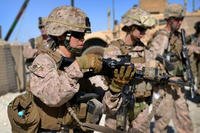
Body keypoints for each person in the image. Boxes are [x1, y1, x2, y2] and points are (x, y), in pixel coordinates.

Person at [8, 5, 103, 133]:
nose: (83, 39)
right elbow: (52, 97)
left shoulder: (79, 61)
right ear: (61, 36)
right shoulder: (44, 61)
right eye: (78, 34)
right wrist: (78, 66)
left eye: (83, 34)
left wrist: (115, 85)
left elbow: (100, 98)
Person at [102, 7, 157, 132]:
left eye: (146, 29)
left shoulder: (144, 50)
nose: (144, 33)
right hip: (119, 105)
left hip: (140, 105)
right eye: (141, 29)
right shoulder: (113, 49)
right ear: (131, 27)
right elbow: (105, 78)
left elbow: (152, 70)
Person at [147, 4, 193, 133]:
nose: (180, 22)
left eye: (181, 19)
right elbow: (152, 60)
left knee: (184, 118)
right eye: (177, 19)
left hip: (178, 84)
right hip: (164, 87)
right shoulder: (162, 36)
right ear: (169, 19)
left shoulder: (178, 36)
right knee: (162, 121)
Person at [186, 21, 200, 95]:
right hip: (194, 58)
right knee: (192, 74)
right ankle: (194, 88)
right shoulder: (192, 36)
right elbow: (184, 42)